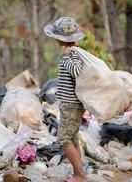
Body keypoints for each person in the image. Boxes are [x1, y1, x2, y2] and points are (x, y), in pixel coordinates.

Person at [44, 17, 86, 182]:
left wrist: (67, 57)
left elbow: (76, 71)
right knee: (73, 138)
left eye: (56, 36)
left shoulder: (73, 54)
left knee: (63, 139)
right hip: (68, 103)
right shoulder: (70, 53)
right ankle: (79, 171)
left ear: (62, 38)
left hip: (72, 105)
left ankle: (80, 175)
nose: (54, 39)